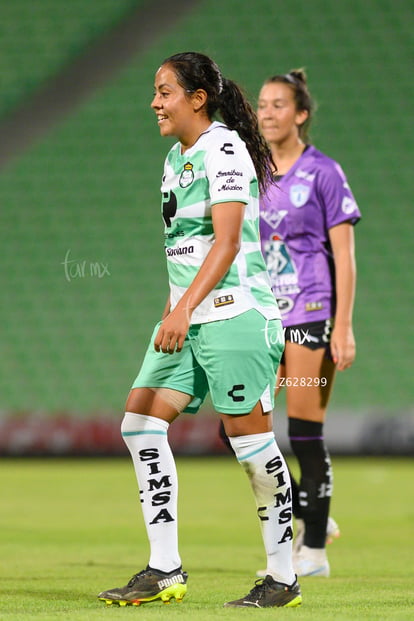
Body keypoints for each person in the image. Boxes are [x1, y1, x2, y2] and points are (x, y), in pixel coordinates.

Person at [97, 52, 302, 609]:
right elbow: (183, 250)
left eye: (164, 92)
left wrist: (183, 309)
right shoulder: (173, 159)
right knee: (139, 423)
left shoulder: (225, 149)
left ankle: (283, 576)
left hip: (235, 314)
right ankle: (165, 568)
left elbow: (228, 243)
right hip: (187, 316)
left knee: (250, 445)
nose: (154, 102)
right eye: (154, 92)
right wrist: (174, 309)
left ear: (197, 98)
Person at [254, 69, 361, 578]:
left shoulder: (323, 172)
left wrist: (343, 327)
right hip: (264, 316)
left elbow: (344, 256)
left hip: (310, 314)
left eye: (279, 105)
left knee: (303, 433)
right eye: (262, 105)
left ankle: (313, 551)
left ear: (300, 115)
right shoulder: (253, 173)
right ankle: (309, 509)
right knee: (240, 428)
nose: (268, 113)